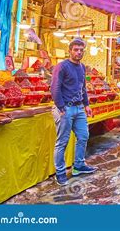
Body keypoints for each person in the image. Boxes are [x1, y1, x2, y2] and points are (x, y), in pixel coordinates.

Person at [51, 38, 97, 186]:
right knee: (62, 142)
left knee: (83, 136)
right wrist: (61, 106)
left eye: (81, 50)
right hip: (65, 109)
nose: (78, 52)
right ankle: (60, 172)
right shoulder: (62, 66)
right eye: (76, 49)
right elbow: (54, 87)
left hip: (79, 108)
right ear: (70, 51)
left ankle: (78, 165)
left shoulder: (82, 67)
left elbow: (82, 87)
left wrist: (87, 104)